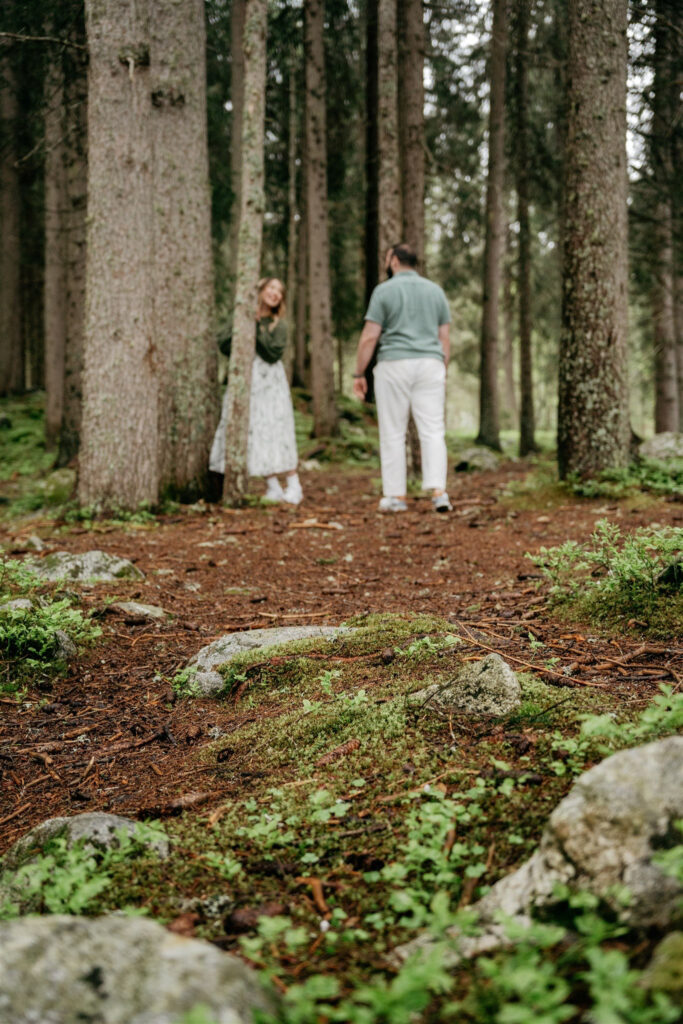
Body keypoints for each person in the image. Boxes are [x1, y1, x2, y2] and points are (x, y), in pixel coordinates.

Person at [352, 243, 452, 513]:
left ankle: (396, 496)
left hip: (394, 363)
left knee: (393, 432)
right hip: (430, 363)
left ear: (394, 260)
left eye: (387, 258)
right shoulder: (435, 291)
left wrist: (359, 373)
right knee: (432, 429)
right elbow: (444, 338)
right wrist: (441, 368)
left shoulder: (384, 291)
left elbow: (370, 335)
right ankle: (439, 492)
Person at [209, 278, 303, 504]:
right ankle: (272, 486)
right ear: (260, 290)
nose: (275, 294)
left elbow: (273, 353)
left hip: (270, 384)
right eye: (271, 288)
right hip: (245, 380)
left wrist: (256, 327)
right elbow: (223, 344)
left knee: (276, 428)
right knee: (254, 429)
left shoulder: (278, 324)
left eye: (279, 291)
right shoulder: (243, 316)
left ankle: (294, 485)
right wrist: (244, 322)